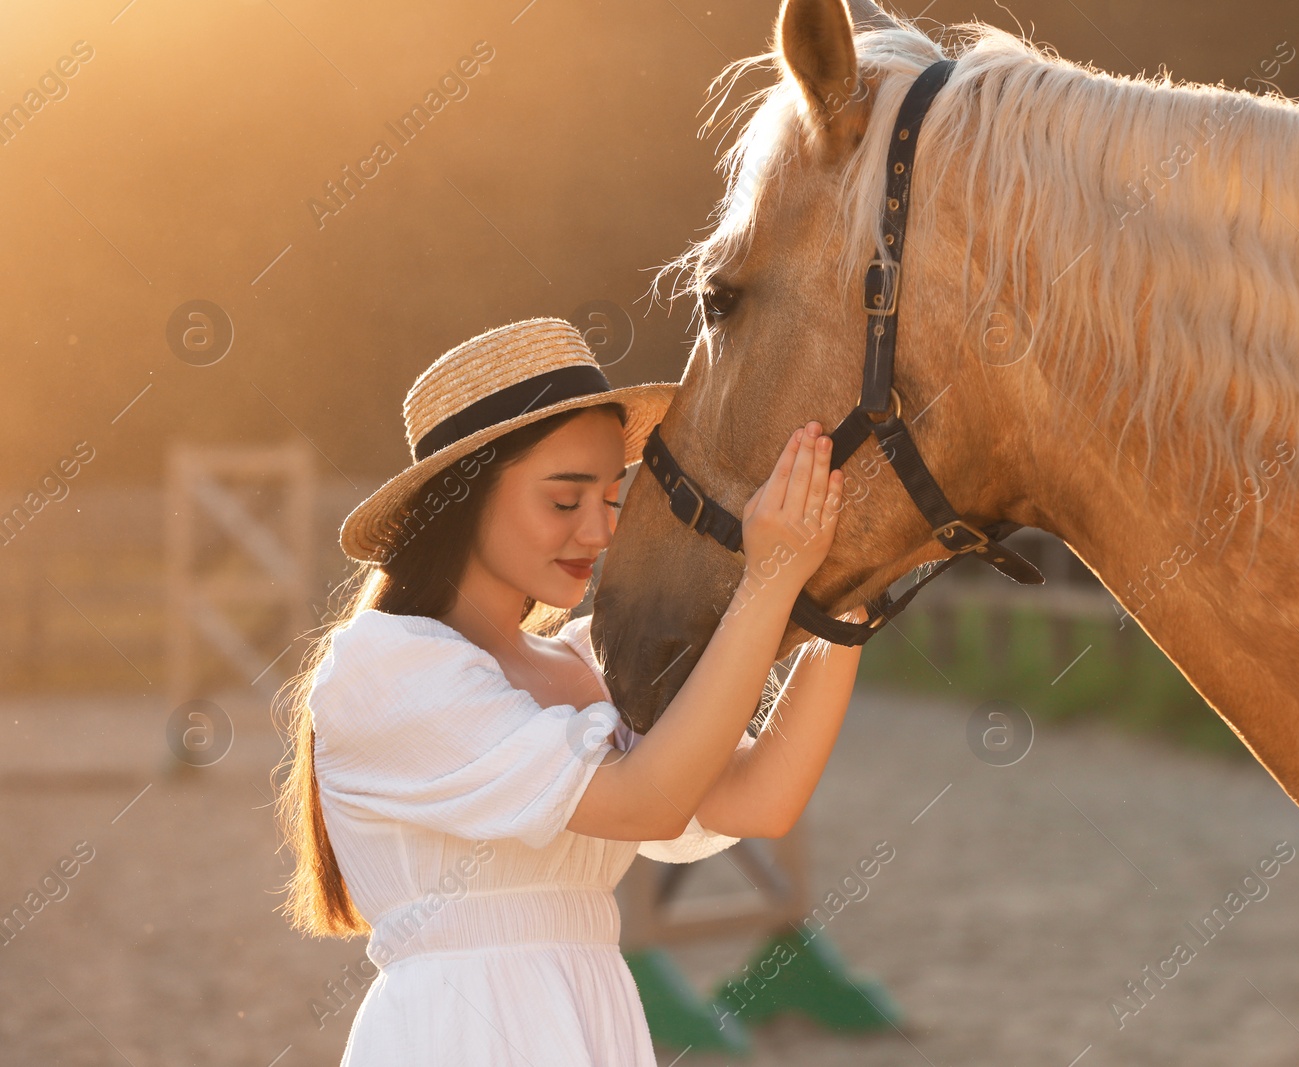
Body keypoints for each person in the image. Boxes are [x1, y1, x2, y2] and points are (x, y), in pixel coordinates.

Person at [271, 316, 866, 1065]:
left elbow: (761, 797)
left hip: (590, 1020)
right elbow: (641, 799)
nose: (598, 532)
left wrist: (847, 588)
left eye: (612, 497)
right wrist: (769, 577)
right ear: (461, 498)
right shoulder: (388, 670)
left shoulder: (591, 660)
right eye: (563, 501)